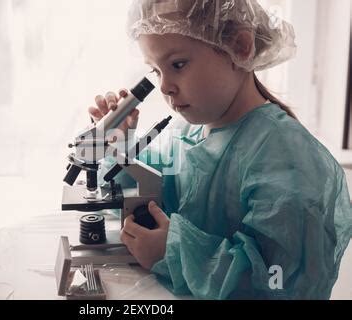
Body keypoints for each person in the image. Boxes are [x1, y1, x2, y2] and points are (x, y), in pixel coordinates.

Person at [88, 0, 352, 299]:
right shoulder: (186, 133)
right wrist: (120, 147)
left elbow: (281, 283)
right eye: (156, 71)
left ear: (239, 47)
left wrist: (174, 252)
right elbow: (148, 196)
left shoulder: (288, 160)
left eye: (177, 64)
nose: (164, 87)